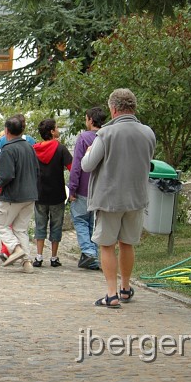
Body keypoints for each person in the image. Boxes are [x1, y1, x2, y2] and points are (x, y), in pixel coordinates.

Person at [81, 89, 155, 308]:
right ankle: (125, 288)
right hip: (136, 197)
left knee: (106, 245)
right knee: (127, 243)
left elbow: (87, 164)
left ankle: (111, 294)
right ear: (133, 107)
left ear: (113, 109)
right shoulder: (148, 132)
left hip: (109, 198)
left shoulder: (105, 134)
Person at [0, 116, 36, 260]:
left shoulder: (7, 148)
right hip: (30, 194)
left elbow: (7, 176)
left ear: (6, 130)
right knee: (21, 229)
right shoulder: (30, 147)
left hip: (13, 195)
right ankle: (27, 262)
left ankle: (15, 248)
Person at [68, 107, 107, 270]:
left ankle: (89, 252)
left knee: (80, 219)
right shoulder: (106, 137)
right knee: (92, 222)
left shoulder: (84, 138)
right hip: (101, 188)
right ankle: (94, 255)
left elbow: (77, 165)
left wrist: (72, 188)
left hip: (84, 187)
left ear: (90, 120)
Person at [31, 119, 72, 267]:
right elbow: (71, 167)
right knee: (56, 225)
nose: (58, 129)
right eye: (57, 127)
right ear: (52, 132)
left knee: (40, 225)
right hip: (57, 194)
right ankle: (54, 257)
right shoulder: (61, 149)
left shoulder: (34, 150)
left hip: (39, 193)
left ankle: (39, 256)